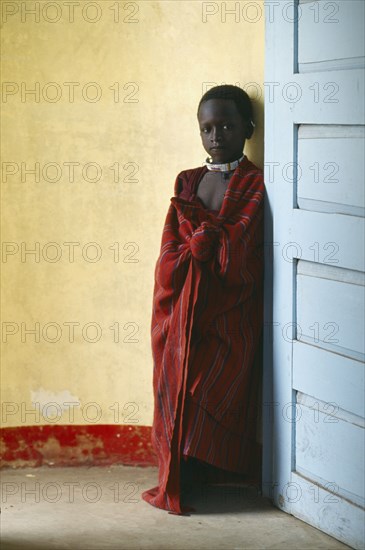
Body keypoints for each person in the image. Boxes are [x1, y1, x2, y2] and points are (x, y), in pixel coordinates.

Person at [142, 85, 264, 515]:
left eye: (228, 125)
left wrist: (212, 243)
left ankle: (213, 464)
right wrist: (191, 250)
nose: (217, 135)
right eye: (207, 128)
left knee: (212, 378)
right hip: (181, 304)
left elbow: (243, 251)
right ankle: (182, 466)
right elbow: (169, 247)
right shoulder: (187, 181)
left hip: (228, 309)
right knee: (176, 377)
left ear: (248, 129)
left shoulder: (253, 183)